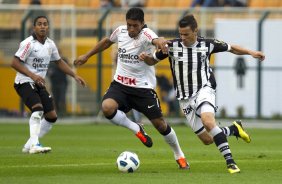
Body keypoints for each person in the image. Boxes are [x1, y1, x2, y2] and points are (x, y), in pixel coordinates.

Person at [139, 14, 265, 173]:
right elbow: (153, 61)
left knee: (208, 121)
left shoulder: (208, 44)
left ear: (195, 31)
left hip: (204, 89)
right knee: (207, 139)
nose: (182, 37)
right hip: (184, 98)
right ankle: (233, 129)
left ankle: (230, 163)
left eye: (186, 34)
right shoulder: (171, 46)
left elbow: (232, 48)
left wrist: (251, 52)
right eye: (180, 34)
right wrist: (146, 58)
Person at [74, 7, 189, 169]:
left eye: (135, 25)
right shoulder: (120, 31)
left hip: (143, 90)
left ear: (142, 24)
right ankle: (136, 128)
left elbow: (157, 40)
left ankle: (179, 154)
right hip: (120, 85)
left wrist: (161, 42)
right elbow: (107, 42)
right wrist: (86, 55)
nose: (131, 29)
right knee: (107, 108)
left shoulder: (147, 34)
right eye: (129, 25)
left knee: (160, 125)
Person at [11, 15, 86, 154]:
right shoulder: (28, 43)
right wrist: (32, 75)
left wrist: (74, 75)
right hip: (24, 82)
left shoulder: (50, 44)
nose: (42, 26)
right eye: (39, 24)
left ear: (48, 27)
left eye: (45, 24)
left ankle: (28, 145)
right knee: (38, 109)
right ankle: (35, 145)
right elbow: (14, 62)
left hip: (38, 84)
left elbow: (58, 61)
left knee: (52, 116)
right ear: (34, 27)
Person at [48, 50, 69, 116]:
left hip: (62, 82)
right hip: (54, 83)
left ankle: (64, 113)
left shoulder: (64, 60)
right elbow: (48, 72)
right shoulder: (51, 62)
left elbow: (66, 68)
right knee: (55, 98)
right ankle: (57, 113)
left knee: (62, 98)